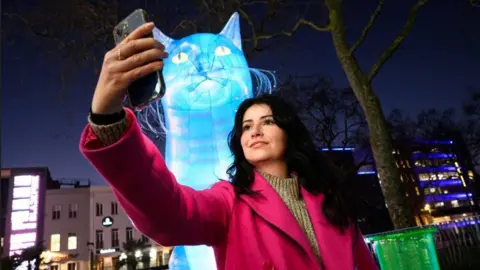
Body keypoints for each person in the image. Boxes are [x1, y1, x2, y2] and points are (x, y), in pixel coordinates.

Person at [80, 22, 378, 270]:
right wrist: (108, 120)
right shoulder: (229, 201)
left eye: (267, 122)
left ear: (290, 133)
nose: (255, 131)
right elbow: (168, 212)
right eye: (246, 126)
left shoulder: (330, 202)